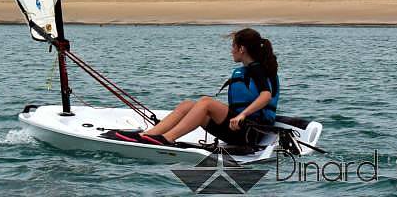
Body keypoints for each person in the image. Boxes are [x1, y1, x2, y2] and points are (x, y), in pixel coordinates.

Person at [107, 28, 279, 146]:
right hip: (239, 130)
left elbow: (266, 95)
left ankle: (167, 139)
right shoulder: (250, 69)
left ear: (241, 49)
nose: (231, 51)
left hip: (252, 132)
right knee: (188, 105)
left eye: (233, 46)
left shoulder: (257, 69)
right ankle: (147, 136)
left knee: (206, 102)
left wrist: (242, 114)